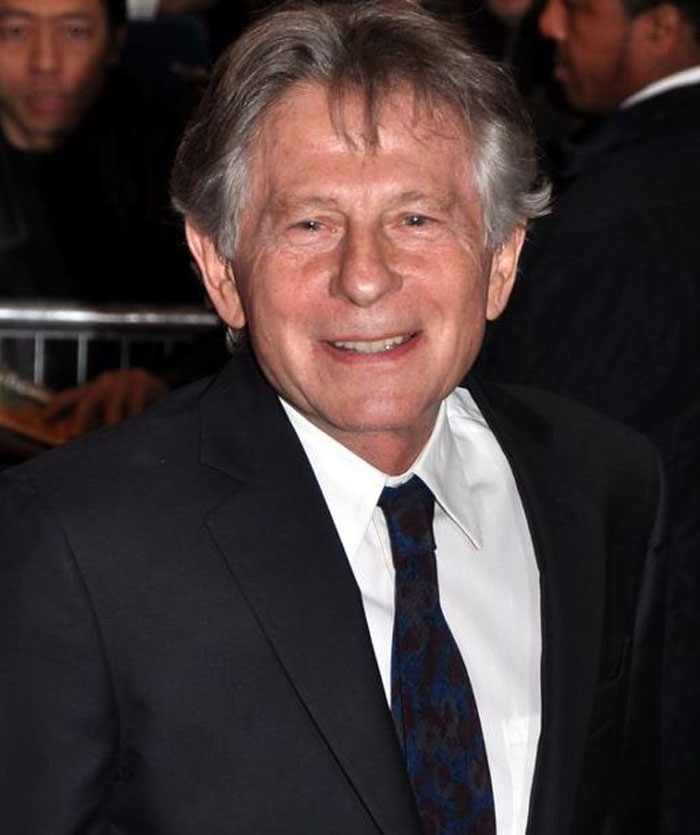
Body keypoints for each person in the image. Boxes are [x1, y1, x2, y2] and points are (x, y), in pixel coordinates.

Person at [0, 3, 665, 833]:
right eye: (310, 223)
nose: (363, 277)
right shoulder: (73, 546)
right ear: (220, 268)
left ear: (502, 258)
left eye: (416, 219)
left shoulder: (603, 488)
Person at [476, 0, 699, 828]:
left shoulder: (617, 213)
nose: (550, 25)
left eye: (581, 7)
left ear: (660, 27)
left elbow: (534, 441)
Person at [0, 0, 205, 435]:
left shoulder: (180, 157)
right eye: (16, 31)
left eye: (74, 32)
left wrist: (162, 380)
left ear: (115, 42)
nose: (45, 62)